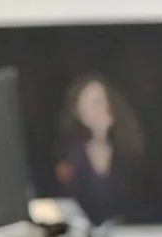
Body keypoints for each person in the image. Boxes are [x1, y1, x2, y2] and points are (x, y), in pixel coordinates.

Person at [53, 74, 137, 227]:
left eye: (104, 100)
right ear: (80, 114)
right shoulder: (72, 159)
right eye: (95, 103)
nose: (103, 107)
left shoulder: (129, 149)